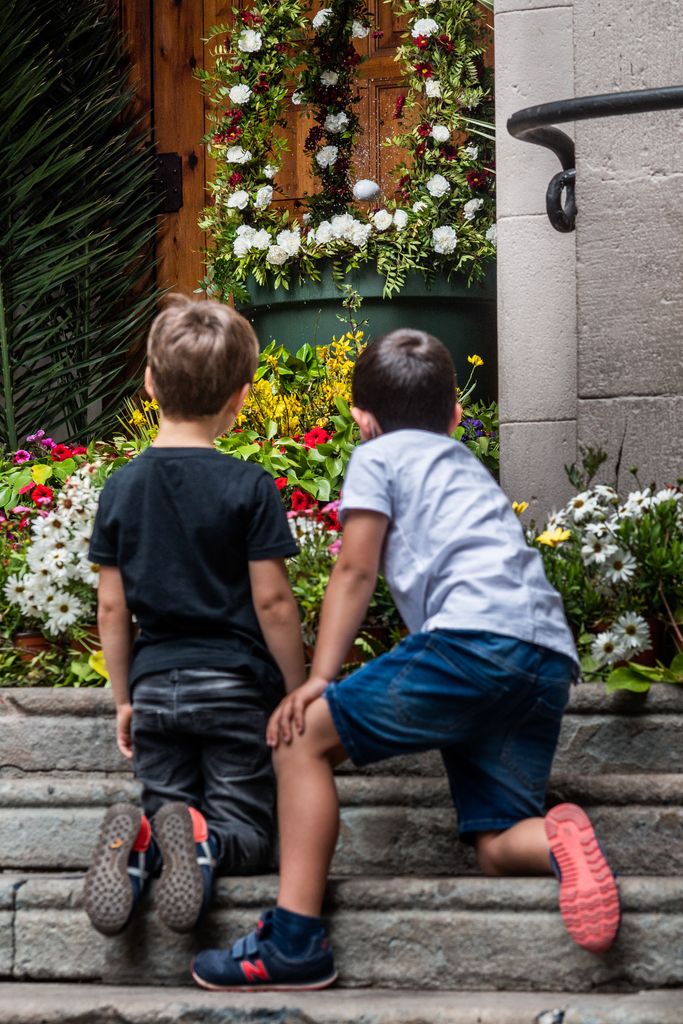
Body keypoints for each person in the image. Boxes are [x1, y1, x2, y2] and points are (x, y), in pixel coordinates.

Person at [192, 328, 621, 991]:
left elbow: (354, 571)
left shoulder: (379, 455)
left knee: (299, 741)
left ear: (362, 420)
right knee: (496, 843)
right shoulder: (466, 467)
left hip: (469, 647)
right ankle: (557, 839)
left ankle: (295, 939)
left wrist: (317, 682)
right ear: (455, 416)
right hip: (541, 661)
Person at [84, 296, 305, 936]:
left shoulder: (122, 487)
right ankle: (204, 843)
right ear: (240, 397)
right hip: (235, 687)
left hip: (155, 686)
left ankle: (143, 844)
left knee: (167, 807)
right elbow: (272, 601)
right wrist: (295, 689)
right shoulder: (249, 485)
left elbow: (111, 605)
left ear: (149, 382)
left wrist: (124, 698)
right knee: (246, 832)